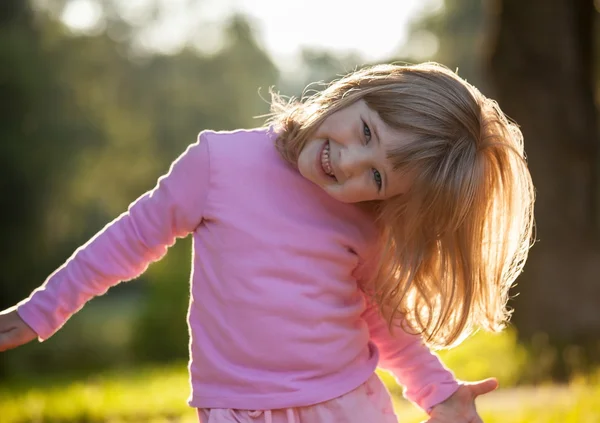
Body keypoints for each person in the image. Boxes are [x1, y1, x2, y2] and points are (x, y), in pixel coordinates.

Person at [0, 62, 534, 423]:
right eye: (366, 132)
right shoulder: (218, 164)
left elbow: (379, 319)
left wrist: (437, 394)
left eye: (375, 177)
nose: (346, 162)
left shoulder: (366, 222)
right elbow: (127, 241)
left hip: (345, 405)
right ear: (358, 93)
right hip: (236, 409)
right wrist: (41, 312)